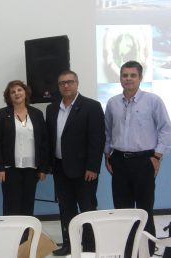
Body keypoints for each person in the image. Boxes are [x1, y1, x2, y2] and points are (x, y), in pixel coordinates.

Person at [105, 60, 171, 256]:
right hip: (119, 161)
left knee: (144, 209)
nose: (128, 79)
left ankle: (147, 250)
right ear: (120, 78)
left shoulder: (153, 101)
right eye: (125, 75)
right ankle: (126, 250)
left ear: (140, 78)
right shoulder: (112, 103)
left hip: (144, 161)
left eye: (133, 75)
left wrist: (157, 156)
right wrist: (107, 155)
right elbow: (108, 131)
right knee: (122, 210)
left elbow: (166, 130)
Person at [46, 70, 105, 256]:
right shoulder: (52, 108)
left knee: (87, 206)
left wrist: (93, 167)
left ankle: (89, 244)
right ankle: (69, 245)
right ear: (58, 86)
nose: (66, 85)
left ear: (77, 83)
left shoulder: (92, 106)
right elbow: (50, 138)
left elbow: (97, 139)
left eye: (70, 82)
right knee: (65, 208)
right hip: (60, 167)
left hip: (84, 170)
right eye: (62, 83)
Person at [0, 80, 48, 216]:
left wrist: (43, 168)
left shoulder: (37, 114)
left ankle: (26, 236)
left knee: (27, 205)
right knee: (11, 206)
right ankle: (11, 236)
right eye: (12, 92)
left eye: (19, 90)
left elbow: (44, 142)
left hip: (31, 169)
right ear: (8, 96)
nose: (16, 93)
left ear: (25, 92)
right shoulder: (2, 114)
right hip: (10, 169)